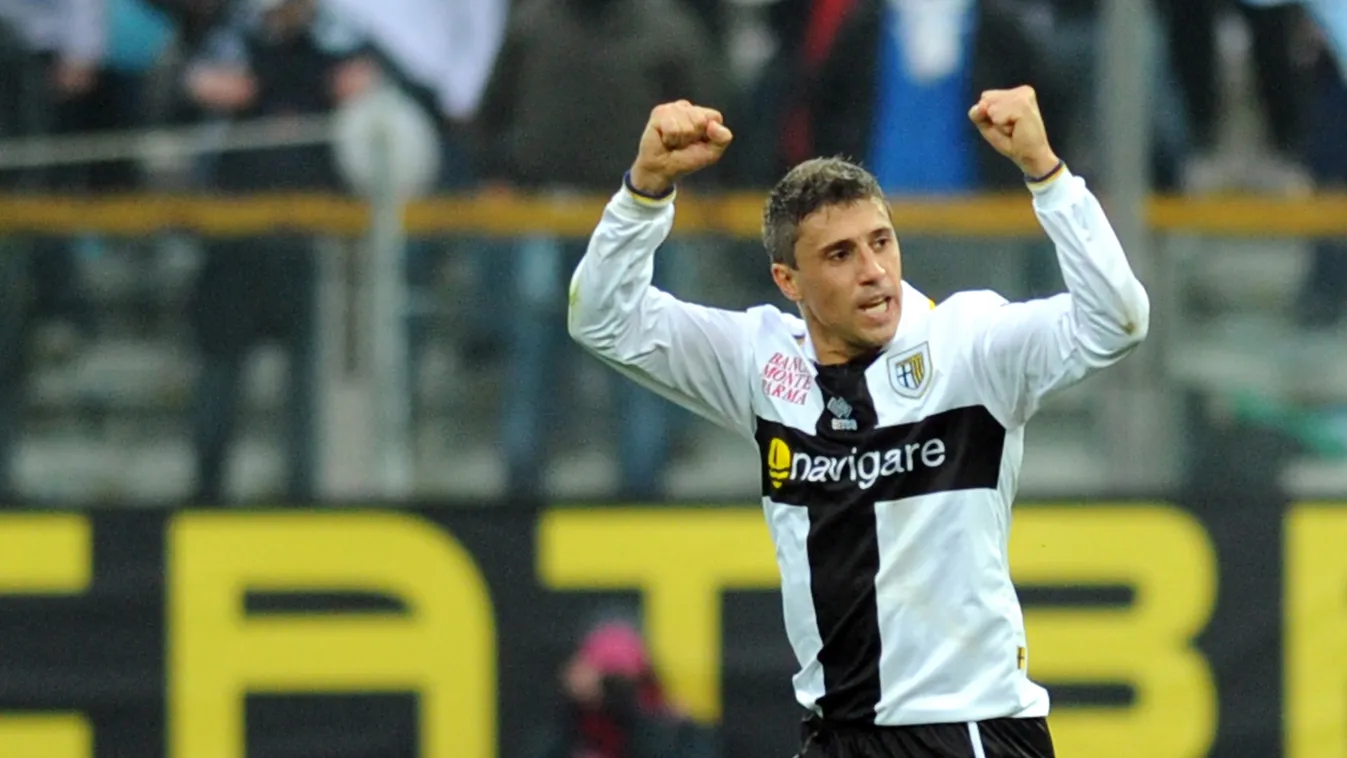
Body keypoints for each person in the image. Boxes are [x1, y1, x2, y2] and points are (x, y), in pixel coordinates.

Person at [567, 90, 1149, 757]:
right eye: (840, 256)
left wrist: (1046, 174)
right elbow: (602, 319)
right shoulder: (761, 365)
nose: (874, 273)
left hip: (967, 733)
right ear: (789, 281)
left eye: (880, 243)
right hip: (834, 738)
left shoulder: (970, 347)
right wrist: (643, 193)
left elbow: (1117, 320)